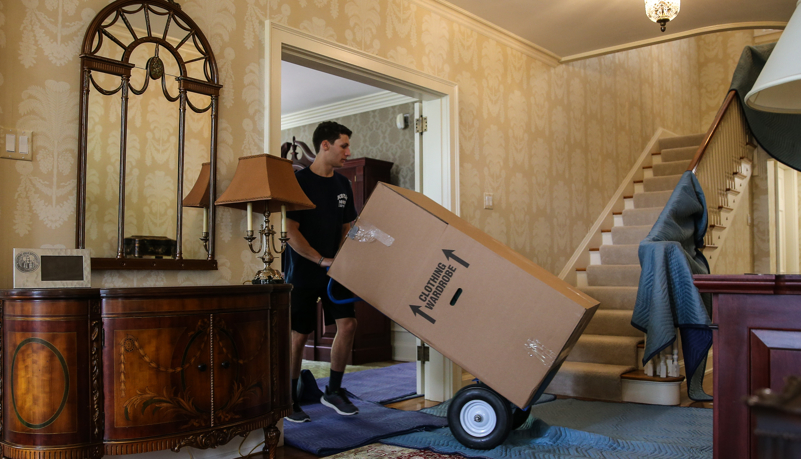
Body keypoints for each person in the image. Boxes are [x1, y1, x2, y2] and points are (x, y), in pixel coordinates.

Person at [283, 121, 359, 423]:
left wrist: (338, 257)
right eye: (343, 145)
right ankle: (288, 399)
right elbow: (290, 230)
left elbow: (346, 225)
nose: (348, 152)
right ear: (325, 145)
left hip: (334, 269)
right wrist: (320, 260)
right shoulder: (298, 183)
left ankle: (334, 391)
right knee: (299, 335)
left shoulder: (343, 185)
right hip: (303, 271)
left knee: (349, 324)